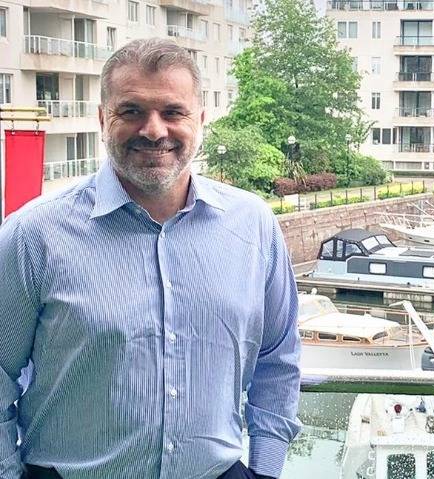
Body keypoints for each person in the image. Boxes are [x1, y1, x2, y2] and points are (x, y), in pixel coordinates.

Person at [0, 38, 301, 479]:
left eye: (173, 112)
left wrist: (266, 470)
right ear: (104, 119)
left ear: (201, 119)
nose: (154, 130)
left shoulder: (253, 226)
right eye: (132, 111)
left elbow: (278, 359)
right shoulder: (33, 235)